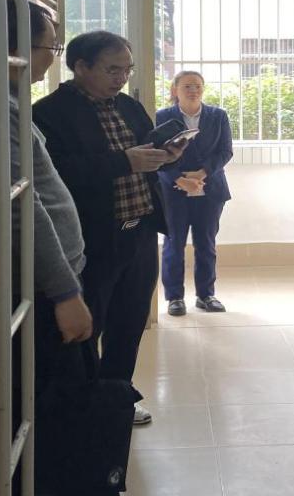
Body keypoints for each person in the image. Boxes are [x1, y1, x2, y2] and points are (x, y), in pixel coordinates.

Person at [33, 31, 187, 427]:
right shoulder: (49, 113)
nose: (121, 78)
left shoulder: (129, 107)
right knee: (86, 327)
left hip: (139, 234)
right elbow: (57, 174)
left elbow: (144, 158)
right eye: (112, 69)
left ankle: (117, 397)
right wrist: (125, 161)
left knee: (129, 323)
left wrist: (167, 156)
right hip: (92, 239)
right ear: (80, 66)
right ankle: (82, 408)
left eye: (127, 69)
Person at [0, 0, 94, 495]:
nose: (51, 58)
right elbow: (19, 206)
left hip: (42, 279)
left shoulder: (2, 97)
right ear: (15, 49)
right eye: (51, 47)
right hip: (36, 286)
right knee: (44, 402)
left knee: (53, 398)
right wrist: (64, 291)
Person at [156, 70, 234, 316]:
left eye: (198, 86)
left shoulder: (218, 116)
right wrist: (179, 179)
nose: (194, 90)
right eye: (188, 86)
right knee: (174, 244)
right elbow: (158, 153)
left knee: (206, 244)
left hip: (210, 189)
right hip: (173, 190)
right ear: (175, 90)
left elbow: (225, 151)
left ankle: (206, 295)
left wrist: (201, 174)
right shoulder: (162, 116)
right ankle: (174, 298)